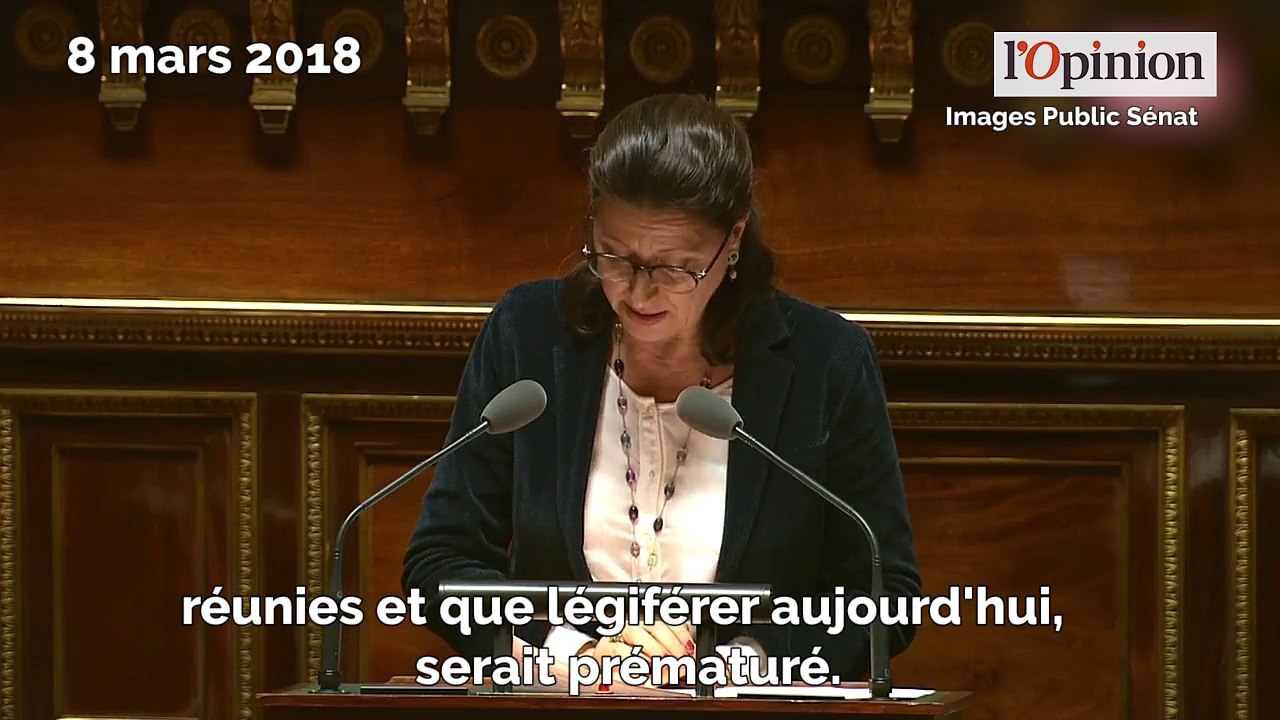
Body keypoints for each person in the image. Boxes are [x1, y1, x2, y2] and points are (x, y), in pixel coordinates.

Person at [401, 92, 920, 683]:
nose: (639, 294)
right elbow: (440, 563)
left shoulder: (825, 361)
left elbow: (885, 595)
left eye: (675, 267)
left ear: (734, 243)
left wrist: (731, 666)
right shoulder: (528, 333)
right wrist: (565, 656)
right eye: (615, 258)